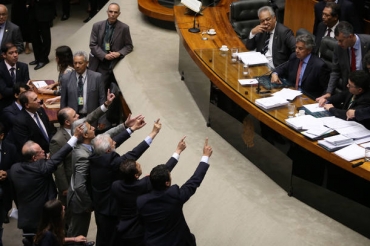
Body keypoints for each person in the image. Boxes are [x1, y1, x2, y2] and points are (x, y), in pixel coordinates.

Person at [67, 117, 144, 239]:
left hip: (98, 199)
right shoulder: (83, 155)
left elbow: (112, 139)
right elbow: (79, 185)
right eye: (91, 127)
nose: (94, 128)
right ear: (85, 134)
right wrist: (91, 204)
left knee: (103, 234)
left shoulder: (92, 144)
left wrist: (131, 128)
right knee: (78, 234)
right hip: (81, 200)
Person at [89, 118, 161, 246]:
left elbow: (115, 142)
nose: (114, 143)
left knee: (102, 237)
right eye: (112, 143)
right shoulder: (112, 163)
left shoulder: (95, 156)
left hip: (99, 207)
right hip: (111, 212)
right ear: (108, 151)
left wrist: (132, 129)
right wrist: (153, 134)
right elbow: (134, 153)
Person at [50, 90, 115, 231]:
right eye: (75, 116)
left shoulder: (79, 128)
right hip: (70, 185)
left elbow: (91, 116)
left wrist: (106, 104)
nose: (79, 116)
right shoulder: (58, 139)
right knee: (70, 220)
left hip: (81, 180)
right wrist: (65, 187)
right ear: (68, 122)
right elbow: (58, 165)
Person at [111, 136, 187, 246]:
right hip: (139, 231)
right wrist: (178, 151)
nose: (140, 165)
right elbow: (165, 170)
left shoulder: (115, 185)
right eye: (138, 166)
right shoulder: (145, 184)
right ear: (136, 175)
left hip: (122, 228)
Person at [137, 138, 213, 246]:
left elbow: (141, 222)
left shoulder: (141, 201)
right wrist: (205, 157)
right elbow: (193, 182)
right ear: (167, 183)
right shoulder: (174, 195)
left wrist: (178, 151)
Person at [9, 126, 82, 235]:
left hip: (26, 219)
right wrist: (75, 137)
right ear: (34, 158)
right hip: (43, 220)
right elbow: (59, 156)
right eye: (41, 152)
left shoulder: (14, 169)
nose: (44, 151)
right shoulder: (41, 168)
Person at [316, 21, 370, 103]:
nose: (338, 43)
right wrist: (329, 92)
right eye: (337, 40)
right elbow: (335, 71)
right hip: (349, 90)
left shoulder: (368, 42)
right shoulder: (339, 47)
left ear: (350, 36)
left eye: (341, 40)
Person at [89, 3, 133, 91]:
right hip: (99, 61)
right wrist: (104, 55)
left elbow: (129, 46)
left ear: (119, 14)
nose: (113, 14)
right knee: (93, 88)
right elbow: (93, 44)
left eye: (115, 12)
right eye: (111, 12)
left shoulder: (124, 28)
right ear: (107, 12)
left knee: (104, 89)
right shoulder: (97, 26)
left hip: (112, 64)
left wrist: (119, 53)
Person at [271, 34, 330, 99]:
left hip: (308, 99)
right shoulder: (294, 57)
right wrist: (275, 74)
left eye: (300, 48)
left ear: (309, 50)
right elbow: (282, 68)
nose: (296, 51)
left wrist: (322, 99)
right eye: (296, 47)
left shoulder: (319, 66)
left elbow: (327, 90)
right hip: (291, 95)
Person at [60, 51, 105, 124]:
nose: (77, 66)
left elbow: (102, 100)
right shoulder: (66, 78)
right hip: (74, 120)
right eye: (75, 63)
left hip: (92, 118)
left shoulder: (97, 77)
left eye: (80, 63)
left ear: (86, 63)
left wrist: (101, 120)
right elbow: (63, 102)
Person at [0, 122, 17, 245]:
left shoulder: (10, 148)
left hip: (5, 190)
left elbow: (16, 167)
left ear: (1, 136)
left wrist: (6, 173)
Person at [0, 42, 30, 112]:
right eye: (11, 53)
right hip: (6, 103)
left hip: (23, 101)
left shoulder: (23, 67)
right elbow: (4, 91)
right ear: (4, 55)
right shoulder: (0, 69)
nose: (15, 55)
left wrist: (22, 89)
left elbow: (26, 86)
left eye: (16, 52)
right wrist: (21, 90)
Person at [27, 0, 54, 70]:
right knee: (34, 36)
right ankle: (38, 58)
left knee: (45, 36)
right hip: (32, 10)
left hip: (44, 11)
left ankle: (44, 58)